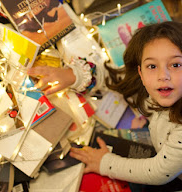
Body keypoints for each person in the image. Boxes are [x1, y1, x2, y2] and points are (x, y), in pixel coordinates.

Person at [27, 21, 182, 191]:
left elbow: (158, 172)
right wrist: (73, 75)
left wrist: (104, 163)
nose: (163, 75)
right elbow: (115, 77)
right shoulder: (155, 87)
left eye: (175, 65)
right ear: (141, 72)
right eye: (152, 66)